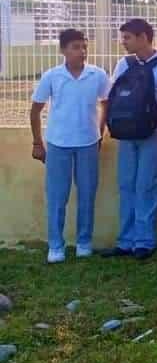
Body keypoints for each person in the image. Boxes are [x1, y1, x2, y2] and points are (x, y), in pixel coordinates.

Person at [30, 29, 110, 263]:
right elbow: (35, 110)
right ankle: (56, 246)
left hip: (88, 143)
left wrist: (100, 134)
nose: (82, 51)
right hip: (58, 144)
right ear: (63, 50)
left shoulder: (97, 75)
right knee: (57, 197)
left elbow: (107, 103)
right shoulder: (52, 76)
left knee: (87, 194)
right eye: (75, 47)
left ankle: (84, 242)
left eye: (84, 46)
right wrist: (37, 142)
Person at [103, 18, 157, 259]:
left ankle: (144, 241)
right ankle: (125, 241)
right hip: (126, 133)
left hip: (154, 133)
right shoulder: (124, 64)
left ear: (144, 37)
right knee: (127, 185)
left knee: (147, 186)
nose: (123, 42)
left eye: (127, 37)